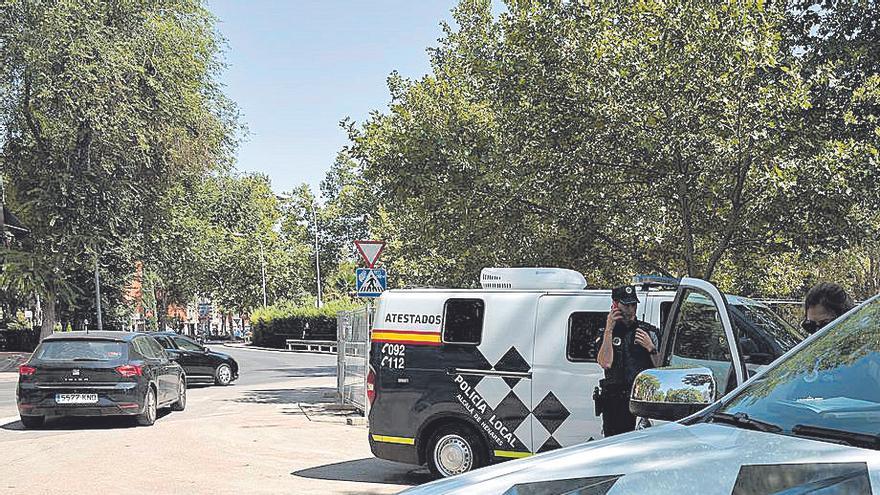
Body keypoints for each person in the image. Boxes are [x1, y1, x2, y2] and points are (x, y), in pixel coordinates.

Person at [596, 284, 662, 437]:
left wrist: (651, 348)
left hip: (642, 400)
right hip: (615, 403)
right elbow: (605, 363)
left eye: (633, 304)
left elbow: (661, 368)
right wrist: (609, 330)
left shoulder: (649, 332)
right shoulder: (606, 333)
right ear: (615, 305)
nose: (631, 309)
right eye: (626, 305)